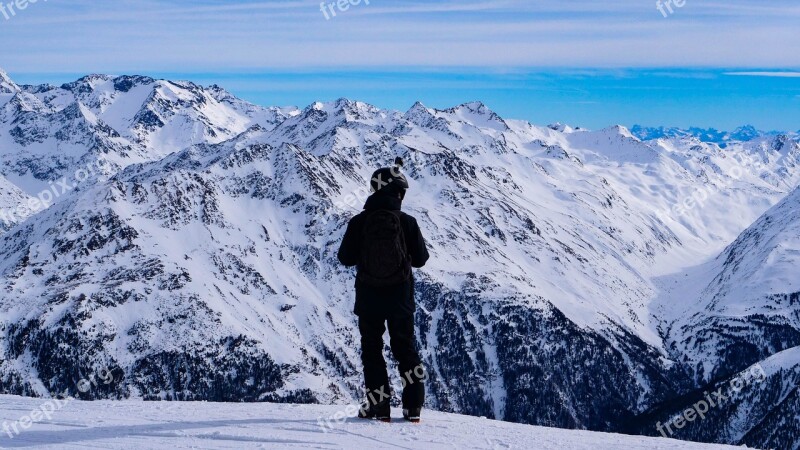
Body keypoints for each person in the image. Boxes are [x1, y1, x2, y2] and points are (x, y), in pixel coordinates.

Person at [337, 158, 430, 423]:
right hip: (400, 297)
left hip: (368, 297)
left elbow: (345, 257)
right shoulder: (407, 222)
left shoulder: (359, 222)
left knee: (372, 351)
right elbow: (422, 259)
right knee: (405, 349)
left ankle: (379, 406)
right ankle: (413, 407)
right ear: (397, 192)